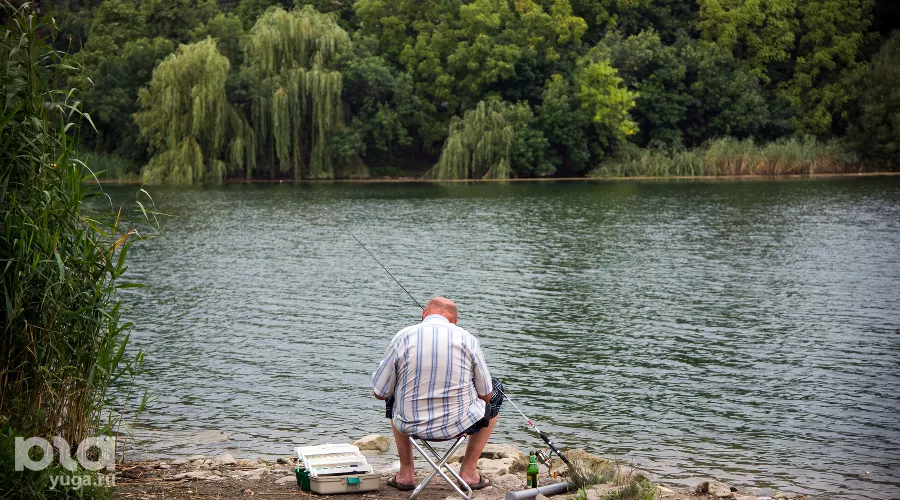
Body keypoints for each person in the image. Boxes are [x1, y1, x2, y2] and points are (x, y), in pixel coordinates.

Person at [372, 297, 503, 491]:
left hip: (410, 426)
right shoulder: (468, 339)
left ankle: (406, 474)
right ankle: (468, 472)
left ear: (424, 315)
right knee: (497, 389)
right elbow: (486, 395)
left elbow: (380, 392)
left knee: (394, 391)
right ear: (455, 322)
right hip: (459, 426)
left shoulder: (403, 336)